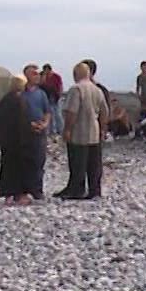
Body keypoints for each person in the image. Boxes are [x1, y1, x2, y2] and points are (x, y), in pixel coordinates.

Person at [59, 61, 106, 200]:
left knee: (78, 162)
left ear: (75, 74)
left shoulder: (76, 89)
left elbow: (72, 111)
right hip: (94, 131)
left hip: (79, 131)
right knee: (94, 164)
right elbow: (104, 112)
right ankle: (94, 190)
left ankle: (77, 189)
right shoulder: (97, 90)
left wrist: (67, 129)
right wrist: (102, 129)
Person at [0, 75, 33, 205]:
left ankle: (8, 194)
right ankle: (19, 194)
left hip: (7, 140)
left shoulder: (5, 100)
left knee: (7, 167)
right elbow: (23, 121)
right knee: (20, 168)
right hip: (18, 139)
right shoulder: (20, 100)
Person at [20, 65, 52, 199]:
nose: (37, 76)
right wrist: (29, 124)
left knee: (39, 161)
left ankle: (37, 189)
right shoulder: (21, 94)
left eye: (38, 73)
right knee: (24, 161)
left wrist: (44, 124)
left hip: (40, 132)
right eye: (34, 73)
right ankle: (23, 189)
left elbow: (47, 111)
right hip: (24, 132)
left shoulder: (41, 94)